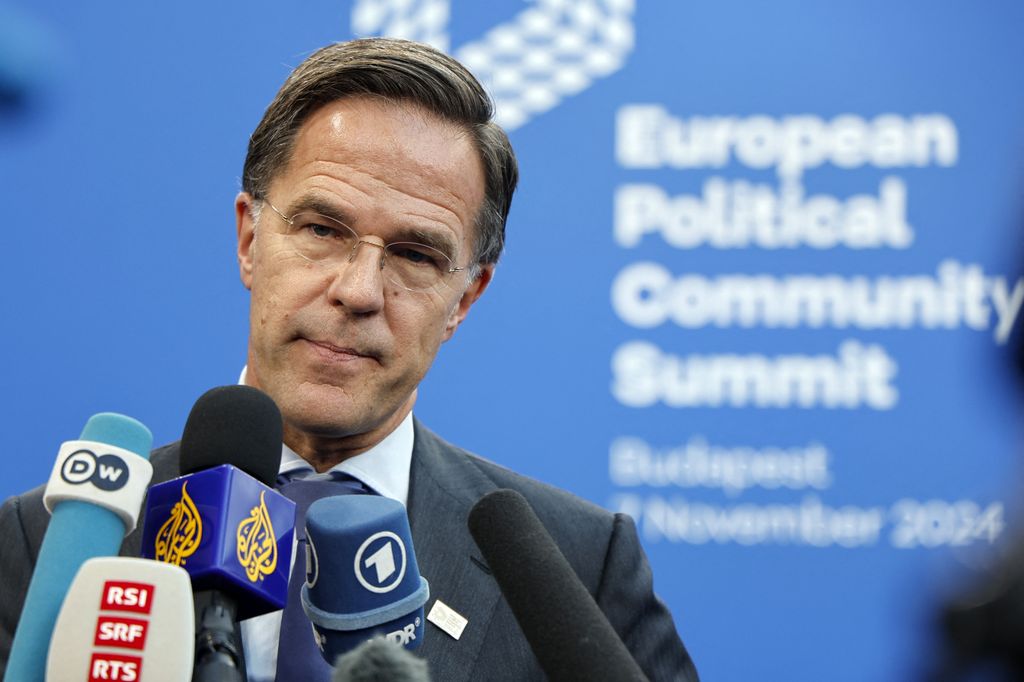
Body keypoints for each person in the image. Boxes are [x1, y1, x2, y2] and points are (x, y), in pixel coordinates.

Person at [0, 38, 698, 681]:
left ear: (465, 298)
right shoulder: (52, 542)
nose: (358, 291)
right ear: (249, 240)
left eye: (416, 255)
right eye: (322, 230)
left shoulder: (579, 565)